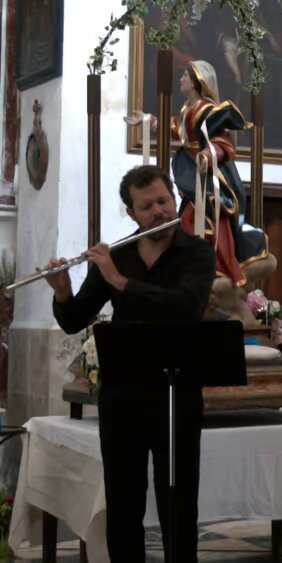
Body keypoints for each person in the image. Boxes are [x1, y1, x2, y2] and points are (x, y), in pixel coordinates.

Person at [44, 165, 216, 561]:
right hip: (122, 396)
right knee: (123, 505)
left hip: (177, 397)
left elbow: (185, 306)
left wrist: (119, 281)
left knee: (179, 503)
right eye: (147, 205)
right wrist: (63, 292)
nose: (158, 210)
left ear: (174, 199)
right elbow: (74, 320)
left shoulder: (198, 253)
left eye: (163, 200)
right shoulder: (117, 255)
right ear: (131, 213)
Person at [125, 60, 268, 287]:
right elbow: (175, 128)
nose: (180, 79)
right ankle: (192, 268)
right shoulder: (186, 110)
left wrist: (210, 153)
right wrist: (148, 120)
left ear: (196, 81)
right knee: (189, 213)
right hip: (190, 169)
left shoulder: (209, 110)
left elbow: (224, 142)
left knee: (208, 211)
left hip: (208, 174)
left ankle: (217, 268)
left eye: (185, 75)